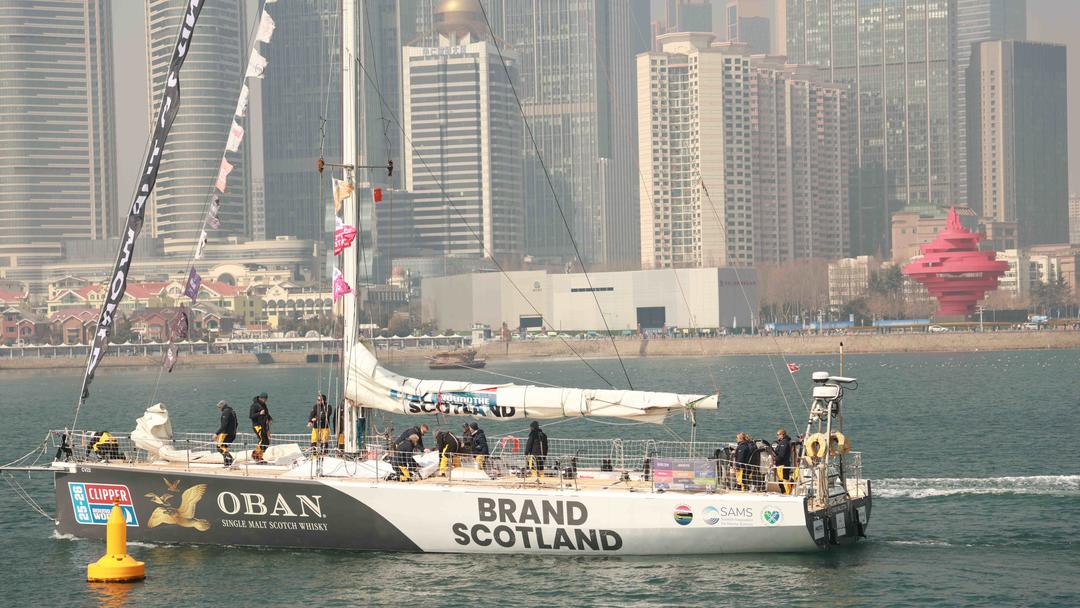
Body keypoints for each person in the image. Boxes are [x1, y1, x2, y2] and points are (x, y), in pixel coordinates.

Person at [249, 391, 272, 463]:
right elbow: (251, 416)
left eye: (266, 399)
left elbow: (266, 413)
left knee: (266, 442)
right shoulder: (254, 405)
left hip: (264, 425)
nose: (266, 400)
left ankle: (260, 455)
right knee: (262, 440)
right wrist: (259, 413)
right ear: (261, 398)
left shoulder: (264, 405)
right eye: (265, 399)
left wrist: (270, 418)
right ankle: (255, 455)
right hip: (257, 425)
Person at [215, 400, 237, 467]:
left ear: (223, 406)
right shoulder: (232, 411)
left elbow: (224, 425)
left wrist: (216, 433)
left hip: (226, 433)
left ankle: (231, 460)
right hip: (232, 433)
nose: (219, 409)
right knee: (224, 447)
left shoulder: (226, 412)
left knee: (220, 447)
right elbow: (236, 423)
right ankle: (227, 463)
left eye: (219, 407)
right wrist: (234, 430)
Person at [774, 428, 793, 494]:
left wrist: (775, 459)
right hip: (782, 464)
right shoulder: (784, 442)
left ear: (782, 435)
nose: (777, 436)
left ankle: (787, 493)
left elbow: (781, 455)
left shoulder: (784, 443)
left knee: (784, 480)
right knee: (782, 481)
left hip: (782, 465)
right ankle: (785, 492)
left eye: (778, 434)